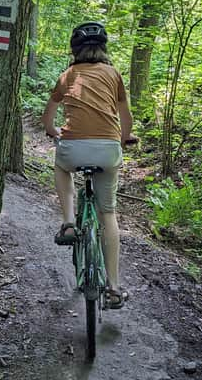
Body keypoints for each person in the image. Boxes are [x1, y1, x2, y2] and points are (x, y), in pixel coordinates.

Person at [40, 21, 135, 310]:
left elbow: (49, 115)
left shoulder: (67, 75)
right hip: (107, 149)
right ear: (103, 48)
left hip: (73, 147)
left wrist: (53, 131)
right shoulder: (114, 74)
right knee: (109, 215)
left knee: (61, 168)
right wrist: (123, 137)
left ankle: (69, 223)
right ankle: (114, 288)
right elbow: (125, 116)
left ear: (74, 50)